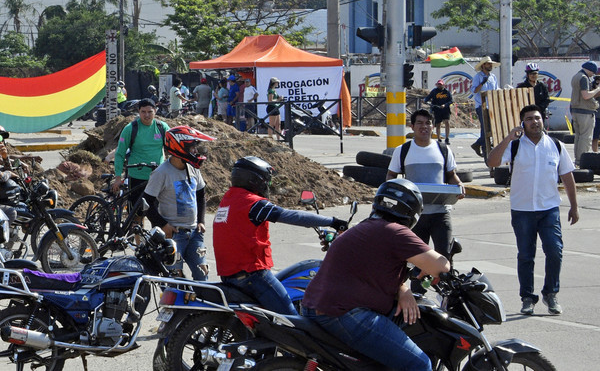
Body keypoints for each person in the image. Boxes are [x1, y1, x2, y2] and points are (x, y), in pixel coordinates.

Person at [301, 179, 451, 371]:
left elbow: (370, 269)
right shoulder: (396, 232)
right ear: (413, 212)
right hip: (344, 313)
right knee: (419, 364)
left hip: (318, 306)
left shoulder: (366, 226)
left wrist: (403, 289)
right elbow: (441, 267)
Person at [213, 157, 347, 314]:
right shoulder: (253, 204)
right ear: (255, 180)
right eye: (266, 181)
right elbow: (292, 216)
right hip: (252, 275)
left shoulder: (228, 199)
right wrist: (332, 221)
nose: (267, 185)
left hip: (230, 275)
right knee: (291, 319)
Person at [487, 104, 579, 315]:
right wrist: (508, 138)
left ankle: (551, 294)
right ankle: (527, 298)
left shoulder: (555, 145)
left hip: (549, 209)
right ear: (522, 123)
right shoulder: (516, 146)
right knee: (526, 255)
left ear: (543, 119)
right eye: (529, 119)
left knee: (555, 251)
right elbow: (491, 161)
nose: (534, 122)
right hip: (522, 210)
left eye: (537, 118)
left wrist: (574, 207)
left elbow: (567, 176)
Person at [387, 109, 463, 254]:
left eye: (428, 123)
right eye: (420, 123)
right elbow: (391, 175)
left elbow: (451, 175)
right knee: (417, 259)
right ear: (412, 126)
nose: (424, 126)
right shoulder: (402, 150)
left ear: (433, 126)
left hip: (440, 213)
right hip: (413, 216)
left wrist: (459, 185)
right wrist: (396, 193)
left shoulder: (443, 149)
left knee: (444, 258)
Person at [144, 125, 214, 280]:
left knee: (203, 277)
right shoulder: (161, 173)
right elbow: (146, 203)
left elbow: (201, 194)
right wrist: (163, 224)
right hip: (173, 236)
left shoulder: (193, 169)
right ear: (178, 148)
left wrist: (201, 221)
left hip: (194, 234)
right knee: (174, 281)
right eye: (192, 148)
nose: (195, 152)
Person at [112, 99, 170, 200]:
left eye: (150, 112)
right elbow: (120, 154)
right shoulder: (130, 128)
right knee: (136, 212)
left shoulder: (162, 127)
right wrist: (117, 177)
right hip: (136, 177)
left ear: (155, 111)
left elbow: (173, 149)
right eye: (143, 112)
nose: (146, 115)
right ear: (139, 111)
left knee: (157, 211)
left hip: (157, 177)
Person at [568, 60, 600, 164]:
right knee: (586, 138)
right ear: (590, 70)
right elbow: (586, 95)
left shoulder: (576, 76)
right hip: (585, 112)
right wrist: (597, 89)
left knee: (578, 137)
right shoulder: (584, 78)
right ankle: (583, 160)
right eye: (593, 72)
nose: (593, 75)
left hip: (576, 111)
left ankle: (578, 160)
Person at [470, 56, 500, 159]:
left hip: (492, 105)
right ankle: (483, 148)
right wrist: (482, 82)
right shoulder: (477, 77)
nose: (490, 65)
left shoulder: (493, 77)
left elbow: (495, 90)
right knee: (485, 128)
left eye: (491, 64)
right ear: (483, 65)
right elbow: (474, 90)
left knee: (492, 128)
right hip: (481, 106)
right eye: (488, 64)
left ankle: (479, 144)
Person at [424, 79, 453, 144]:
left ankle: (447, 138)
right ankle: (439, 138)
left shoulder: (447, 92)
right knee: (438, 124)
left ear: (443, 85)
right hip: (437, 109)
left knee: (447, 122)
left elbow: (451, 101)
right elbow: (428, 97)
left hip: (445, 109)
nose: (439, 86)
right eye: (438, 84)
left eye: (441, 84)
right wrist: (425, 100)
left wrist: (445, 105)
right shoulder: (434, 91)